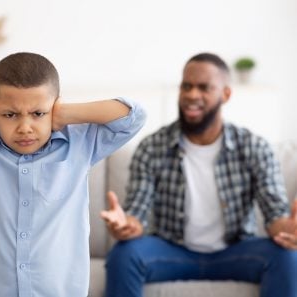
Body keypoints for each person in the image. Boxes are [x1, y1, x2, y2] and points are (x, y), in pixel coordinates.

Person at [0, 52, 146, 297]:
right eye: (10, 114)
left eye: (38, 113)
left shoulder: (82, 143)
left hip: (59, 291)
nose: (24, 127)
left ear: (54, 108)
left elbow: (134, 117)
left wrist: (66, 113)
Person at [101, 53, 297, 297]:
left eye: (204, 87)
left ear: (226, 94)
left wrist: (288, 229)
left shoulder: (254, 147)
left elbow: (274, 214)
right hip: (172, 251)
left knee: (287, 256)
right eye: (187, 86)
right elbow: (137, 214)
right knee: (124, 254)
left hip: (236, 252)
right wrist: (126, 225)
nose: (192, 95)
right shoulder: (152, 147)